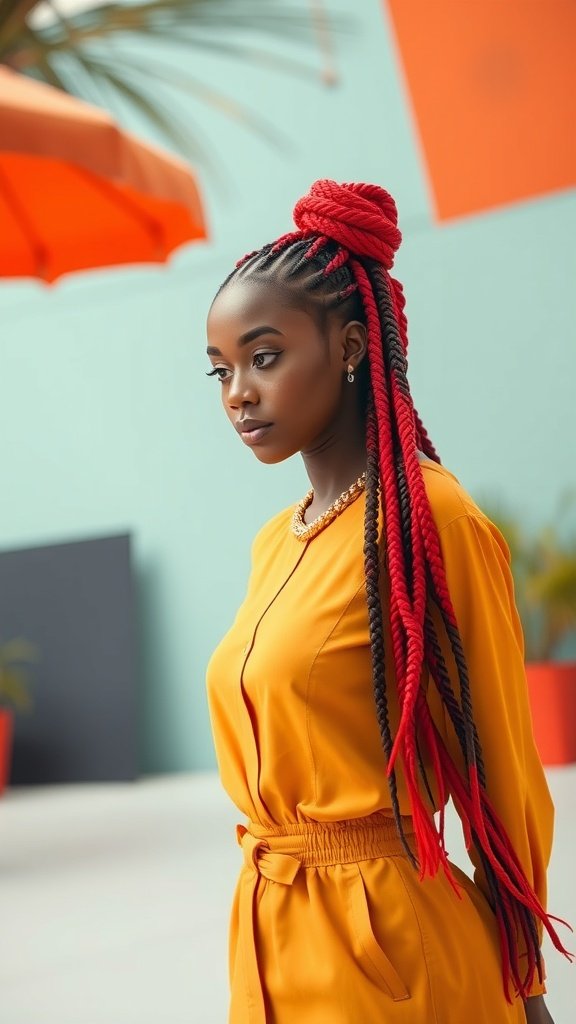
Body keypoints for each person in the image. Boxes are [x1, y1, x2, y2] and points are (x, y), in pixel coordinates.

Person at [204, 179, 572, 1023]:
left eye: (265, 357)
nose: (238, 393)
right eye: (221, 370)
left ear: (353, 346)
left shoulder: (431, 520)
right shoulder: (276, 541)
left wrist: (528, 984)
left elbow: (502, 762)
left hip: (393, 948)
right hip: (268, 938)